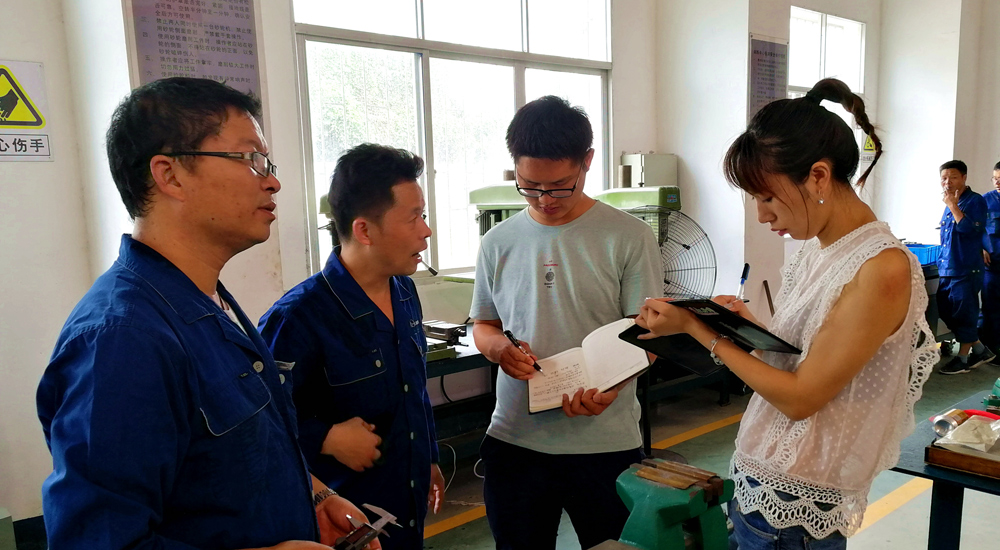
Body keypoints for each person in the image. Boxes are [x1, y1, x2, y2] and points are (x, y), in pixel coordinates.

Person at [36, 77, 373, 550]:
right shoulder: (123, 339)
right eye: (250, 158)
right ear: (170, 175)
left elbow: (237, 455)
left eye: (267, 163)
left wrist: (314, 497)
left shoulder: (209, 303)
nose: (272, 180)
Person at [635, 78, 937, 549]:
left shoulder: (881, 268)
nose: (762, 215)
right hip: (762, 484)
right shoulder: (821, 248)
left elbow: (801, 398)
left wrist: (698, 329)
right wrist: (740, 324)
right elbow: (802, 357)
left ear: (818, 176)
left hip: (795, 509)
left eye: (767, 197)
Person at [469, 96, 661, 550]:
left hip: (604, 445)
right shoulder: (497, 242)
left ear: (587, 162)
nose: (544, 199)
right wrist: (499, 350)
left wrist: (611, 385)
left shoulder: (628, 236)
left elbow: (650, 336)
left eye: (559, 186)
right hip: (515, 441)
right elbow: (485, 325)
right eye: (529, 186)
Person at [258, 143, 444, 550]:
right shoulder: (298, 317)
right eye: (414, 217)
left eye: (424, 215)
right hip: (342, 520)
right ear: (364, 230)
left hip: (406, 502)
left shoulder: (404, 291)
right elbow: (262, 425)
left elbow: (414, 389)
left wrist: (428, 457)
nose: (426, 231)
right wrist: (324, 437)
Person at [936, 160, 995, 374]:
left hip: (966, 268)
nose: (947, 182)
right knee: (945, 309)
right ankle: (979, 349)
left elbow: (971, 230)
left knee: (965, 312)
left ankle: (962, 360)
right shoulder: (949, 201)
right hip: (948, 266)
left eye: (953, 177)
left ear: (963, 178)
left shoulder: (975, 201)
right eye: (944, 178)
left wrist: (953, 206)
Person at [979, 161, 1000, 354]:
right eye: (994, 179)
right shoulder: (985, 200)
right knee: (990, 306)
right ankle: (989, 348)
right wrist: (981, 247)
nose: (997, 183)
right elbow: (974, 228)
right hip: (992, 265)